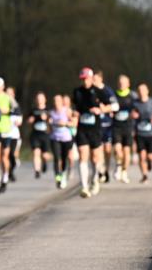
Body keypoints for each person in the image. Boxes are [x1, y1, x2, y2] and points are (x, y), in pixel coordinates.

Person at [72, 67, 111, 198]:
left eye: (87, 79)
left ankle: (94, 181)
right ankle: (84, 186)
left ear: (91, 78)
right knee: (83, 155)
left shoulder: (99, 91)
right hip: (82, 128)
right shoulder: (77, 92)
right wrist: (74, 113)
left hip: (95, 129)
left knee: (95, 158)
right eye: (82, 79)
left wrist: (101, 110)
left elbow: (112, 106)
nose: (85, 81)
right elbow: (75, 107)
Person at [132, 82, 152, 183]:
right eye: (139, 91)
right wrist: (133, 115)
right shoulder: (135, 103)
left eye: (143, 90)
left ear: (147, 91)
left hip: (151, 133)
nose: (141, 92)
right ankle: (144, 175)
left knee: (151, 157)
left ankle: (149, 162)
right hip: (140, 134)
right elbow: (131, 113)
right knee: (142, 155)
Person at [93, 70, 117, 183]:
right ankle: (100, 170)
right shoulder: (91, 91)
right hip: (95, 126)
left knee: (107, 150)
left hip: (107, 125)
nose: (93, 81)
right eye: (92, 79)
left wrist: (105, 109)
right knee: (98, 150)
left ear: (101, 79)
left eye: (95, 79)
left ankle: (106, 169)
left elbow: (116, 106)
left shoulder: (107, 91)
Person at [112, 75, 136, 183]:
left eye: (124, 82)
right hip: (116, 126)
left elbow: (138, 108)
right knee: (118, 150)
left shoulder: (133, 96)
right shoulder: (113, 95)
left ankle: (124, 172)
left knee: (126, 152)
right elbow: (108, 106)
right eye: (120, 82)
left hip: (128, 127)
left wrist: (135, 114)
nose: (121, 84)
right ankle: (118, 165)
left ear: (128, 84)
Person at [50, 94, 75, 189]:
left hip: (66, 138)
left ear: (61, 102)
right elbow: (48, 126)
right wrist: (49, 125)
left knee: (64, 158)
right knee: (57, 158)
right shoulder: (51, 112)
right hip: (55, 138)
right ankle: (58, 177)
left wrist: (65, 123)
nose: (56, 103)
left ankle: (63, 173)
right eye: (54, 101)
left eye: (58, 101)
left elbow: (73, 123)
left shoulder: (67, 111)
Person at [28, 92, 52, 179]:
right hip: (35, 134)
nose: (39, 100)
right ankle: (37, 170)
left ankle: (44, 162)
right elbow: (28, 121)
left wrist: (47, 119)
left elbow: (52, 122)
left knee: (45, 155)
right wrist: (30, 120)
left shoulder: (48, 110)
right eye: (38, 99)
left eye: (41, 98)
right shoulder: (33, 110)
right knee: (36, 152)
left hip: (45, 134)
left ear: (45, 100)